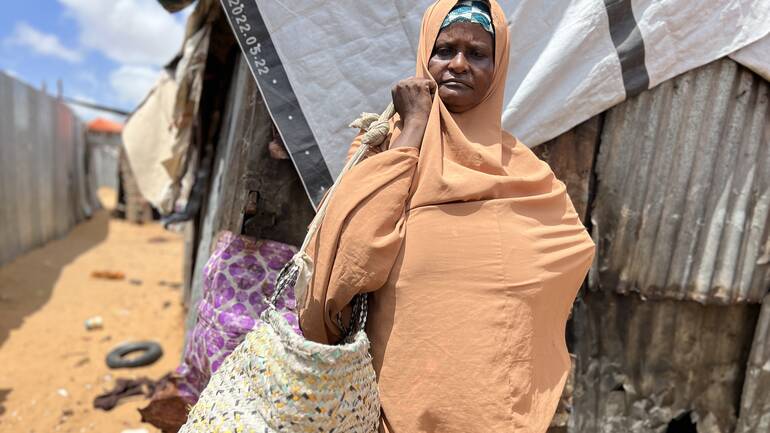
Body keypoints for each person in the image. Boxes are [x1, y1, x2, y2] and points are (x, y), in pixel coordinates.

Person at [298, 0, 595, 432]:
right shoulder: (384, 147)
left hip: (489, 407)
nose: (458, 64)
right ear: (425, 56)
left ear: (498, 68)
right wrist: (413, 128)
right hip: (385, 398)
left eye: (477, 54)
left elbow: (568, 255)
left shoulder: (524, 172)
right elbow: (352, 254)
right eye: (444, 51)